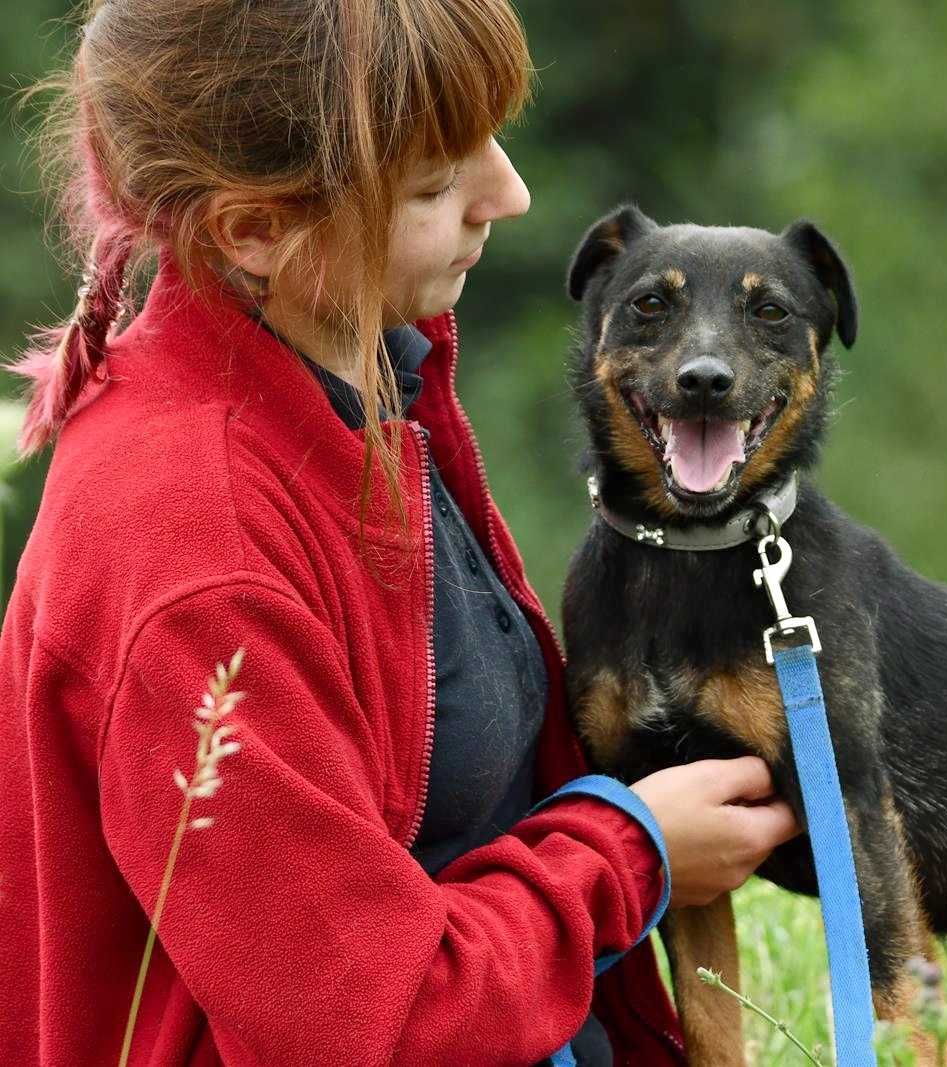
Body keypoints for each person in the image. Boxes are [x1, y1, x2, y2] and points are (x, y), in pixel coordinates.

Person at [0, 1, 799, 1064]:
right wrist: (630, 851)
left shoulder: (355, 365)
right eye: (433, 182)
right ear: (251, 229)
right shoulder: (196, 555)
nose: (507, 196)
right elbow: (372, 1019)